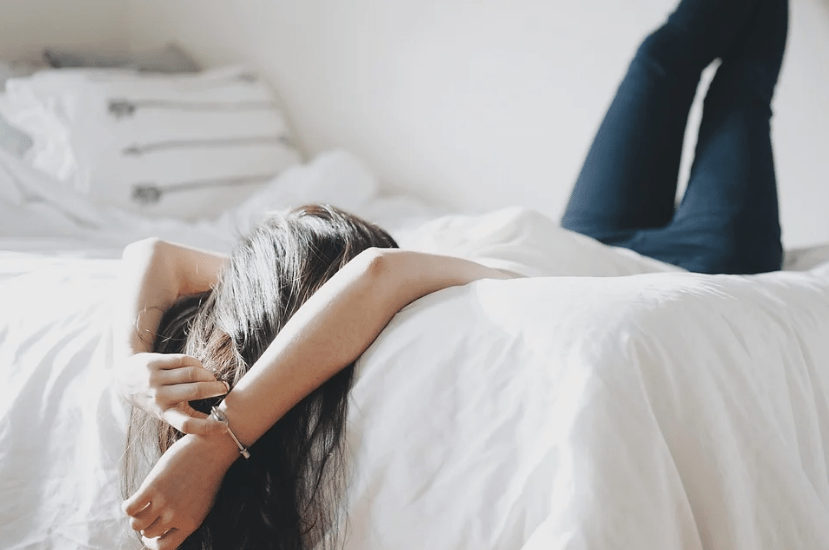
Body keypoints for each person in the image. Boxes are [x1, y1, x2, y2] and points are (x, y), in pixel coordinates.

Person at [118, 0, 788, 548]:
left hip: (584, 233)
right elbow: (377, 273)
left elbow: (153, 253)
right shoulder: (407, 285)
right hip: (695, 258)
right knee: (740, 95)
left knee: (659, 60)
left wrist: (126, 362)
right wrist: (214, 447)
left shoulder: (305, 299)